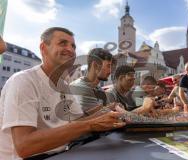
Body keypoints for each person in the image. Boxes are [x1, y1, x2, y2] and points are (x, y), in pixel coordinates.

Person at [0, 27, 125, 159]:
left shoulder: (64, 86)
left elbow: (77, 121)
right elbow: (24, 146)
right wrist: (91, 124)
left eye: (73, 46)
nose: (71, 50)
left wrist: (104, 111)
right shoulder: (23, 81)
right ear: (43, 48)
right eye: (63, 43)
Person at [70, 48, 113, 113]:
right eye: (108, 66)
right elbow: (108, 116)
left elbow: (110, 110)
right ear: (95, 66)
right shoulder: (81, 87)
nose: (110, 71)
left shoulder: (99, 89)